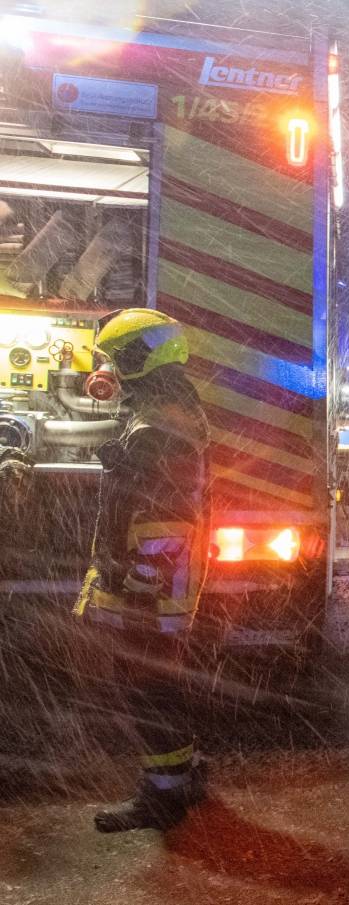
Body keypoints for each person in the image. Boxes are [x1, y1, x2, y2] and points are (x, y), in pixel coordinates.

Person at [73, 308, 210, 832]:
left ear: (136, 358)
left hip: (149, 589)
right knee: (160, 683)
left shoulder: (160, 425)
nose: (107, 366)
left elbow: (171, 515)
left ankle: (164, 797)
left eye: (114, 356)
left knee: (147, 688)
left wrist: (141, 579)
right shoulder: (164, 410)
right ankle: (179, 778)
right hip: (154, 584)